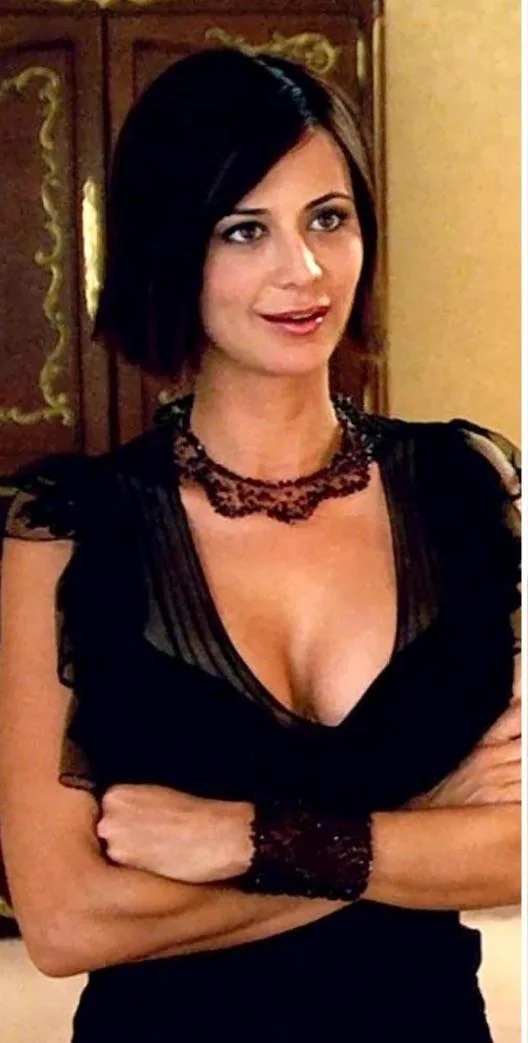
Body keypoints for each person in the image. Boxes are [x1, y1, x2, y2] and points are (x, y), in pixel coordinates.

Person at [0, 47, 521, 1043]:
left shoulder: (467, 484)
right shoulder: (69, 527)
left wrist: (245, 837)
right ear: (171, 251)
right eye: (246, 230)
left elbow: (518, 852)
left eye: (328, 218)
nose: (304, 270)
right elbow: (66, 922)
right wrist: (417, 824)